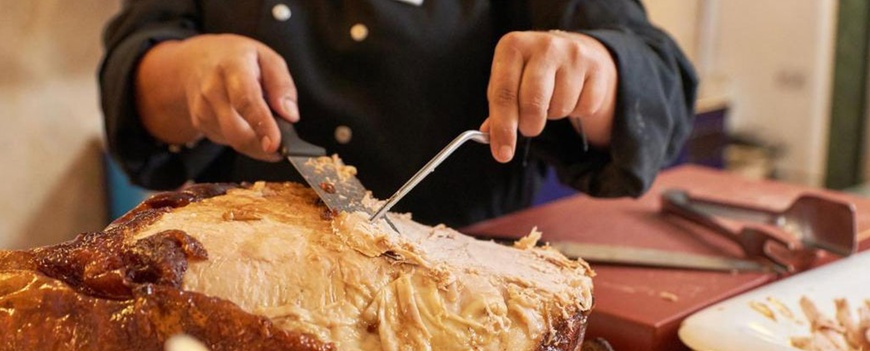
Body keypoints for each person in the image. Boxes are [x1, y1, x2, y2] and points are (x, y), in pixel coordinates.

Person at [100, 0, 697, 228]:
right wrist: (187, 73)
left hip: (473, 282)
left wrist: (595, 70)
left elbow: (659, 77)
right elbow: (136, 61)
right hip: (262, 280)